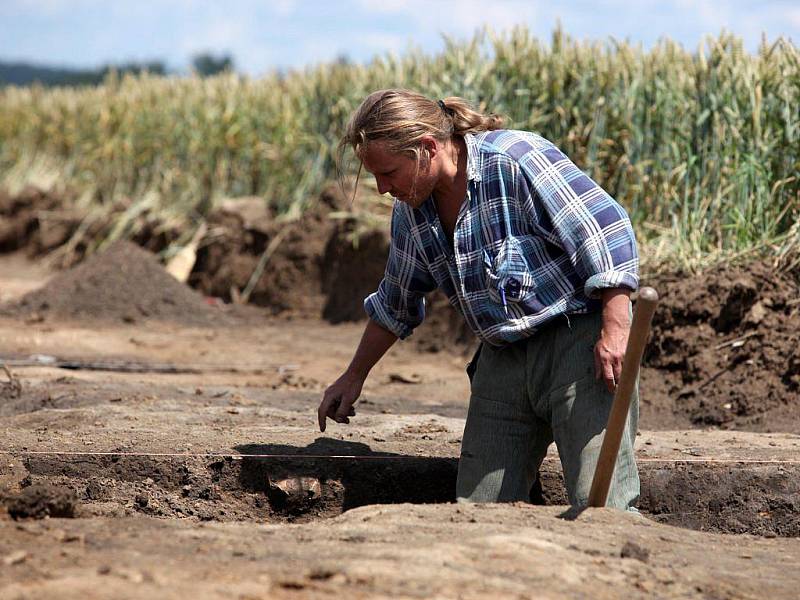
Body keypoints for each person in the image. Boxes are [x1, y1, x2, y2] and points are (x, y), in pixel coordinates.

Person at [317, 89, 640, 510]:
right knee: (478, 512)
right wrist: (352, 377)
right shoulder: (412, 213)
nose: (382, 188)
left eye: (389, 173)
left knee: (602, 506)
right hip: (501, 359)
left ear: (427, 149)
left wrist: (616, 330)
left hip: (578, 350)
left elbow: (606, 229)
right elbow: (395, 302)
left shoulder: (517, 159)